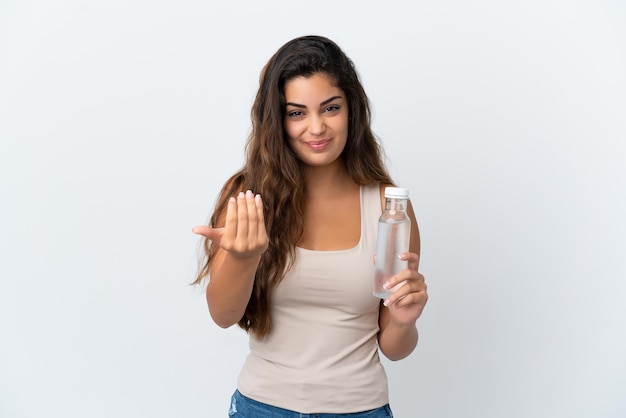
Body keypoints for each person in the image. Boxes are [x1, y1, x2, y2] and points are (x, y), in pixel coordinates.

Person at [192, 35, 428, 417]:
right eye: (297, 112)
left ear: (352, 110)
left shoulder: (389, 207)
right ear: (277, 120)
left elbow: (395, 348)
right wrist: (242, 257)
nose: (316, 128)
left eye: (330, 108)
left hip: (362, 408)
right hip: (263, 407)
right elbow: (223, 315)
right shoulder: (249, 196)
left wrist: (405, 319)